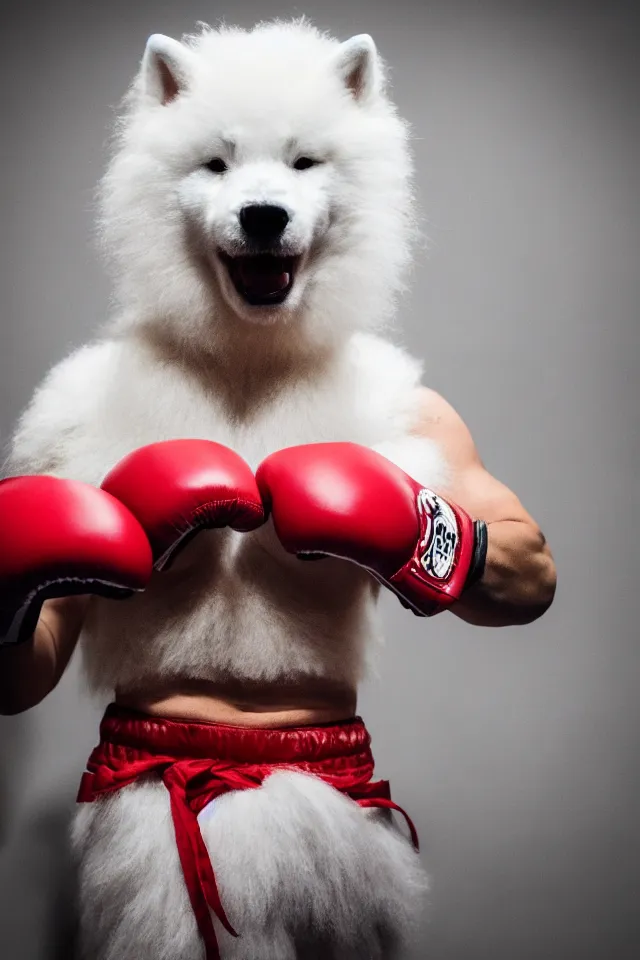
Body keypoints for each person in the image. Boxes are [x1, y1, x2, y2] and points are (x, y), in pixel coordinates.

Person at [0, 19, 556, 960]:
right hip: (150, 805)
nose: (261, 199)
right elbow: (21, 682)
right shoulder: (85, 401)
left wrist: (417, 527)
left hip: (334, 803)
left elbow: (529, 580)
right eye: (215, 165)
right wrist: (12, 597)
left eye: (303, 162)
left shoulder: (388, 398)